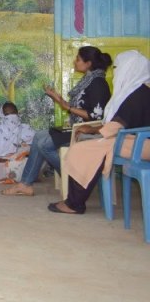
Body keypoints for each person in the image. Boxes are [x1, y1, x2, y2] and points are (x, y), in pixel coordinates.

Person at [2, 46, 112, 196]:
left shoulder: (98, 84)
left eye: (78, 59)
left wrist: (68, 107)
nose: (75, 61)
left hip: (86, 131)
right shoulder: (89, 80)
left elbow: (95, 116)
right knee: (39, 135)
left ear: (88, 63)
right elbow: (74, 107)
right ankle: (26, 184)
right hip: (76, 126)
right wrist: (57, 98)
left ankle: (73, 177)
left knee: (44, 144)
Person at [50, 50, 150, 214]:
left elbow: (118, 125)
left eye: (119, 67)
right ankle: (74, 200)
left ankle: (74, 204)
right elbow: (120, 123)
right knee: (89, 144)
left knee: (86, 149)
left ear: (130, 68)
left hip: (142, 145)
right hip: (133, 140)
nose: (116, 71)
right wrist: (95, 129)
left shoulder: (139, 94)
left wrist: (94, 130)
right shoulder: (138, 91)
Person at [0, 102, 35, 183]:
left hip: (0, 165)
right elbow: (36, 147)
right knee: (32, 157)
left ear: (2, 114)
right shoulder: (25, 128)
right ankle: (15, 174)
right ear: (17, 113)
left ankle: (4, 173)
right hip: (18, 165)